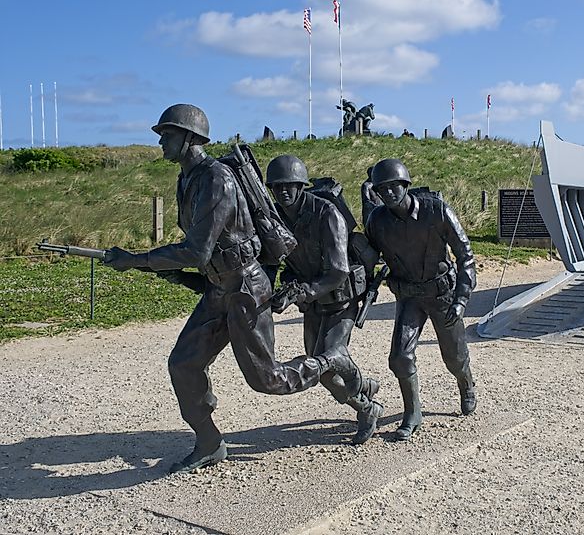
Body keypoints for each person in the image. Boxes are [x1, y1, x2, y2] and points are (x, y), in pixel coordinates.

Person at [103, 104, 366, 473]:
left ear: (190, 138)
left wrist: (136, 259)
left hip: (245, 288)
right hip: (218, 287)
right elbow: (204, 249)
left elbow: (197, 249)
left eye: (168, 134)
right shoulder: (186, 179)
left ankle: (328, 361)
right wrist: (177, 273)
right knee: (183, 363)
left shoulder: (217, 179)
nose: (161, 141)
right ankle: (209, 443)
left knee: (268, 379)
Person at [263, 155, 383, 445]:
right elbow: (275, 260)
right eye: (277, 187)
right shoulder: (275, 218)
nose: (284, 192)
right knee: (320, 369)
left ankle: (368, 410)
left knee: (325, 368)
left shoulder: (326, 213)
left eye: (290, 186)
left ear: (302, 186)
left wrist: (302, 291)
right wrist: (282, 290)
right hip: (314, 304)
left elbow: (339, 270)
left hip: (341, 301)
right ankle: (364, 385)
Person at [364, 158, 477, 440]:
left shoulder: (435, 210)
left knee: (454, 356)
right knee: (400, 357)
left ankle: (466, 384)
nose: (389, 193)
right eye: (382, 189)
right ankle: (413, 413)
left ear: (405, 185)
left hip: (443, 295)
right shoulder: (377, 221)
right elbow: (370, 259)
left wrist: (461, 299)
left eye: (394, 187)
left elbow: (466, 256)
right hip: (409, 298)